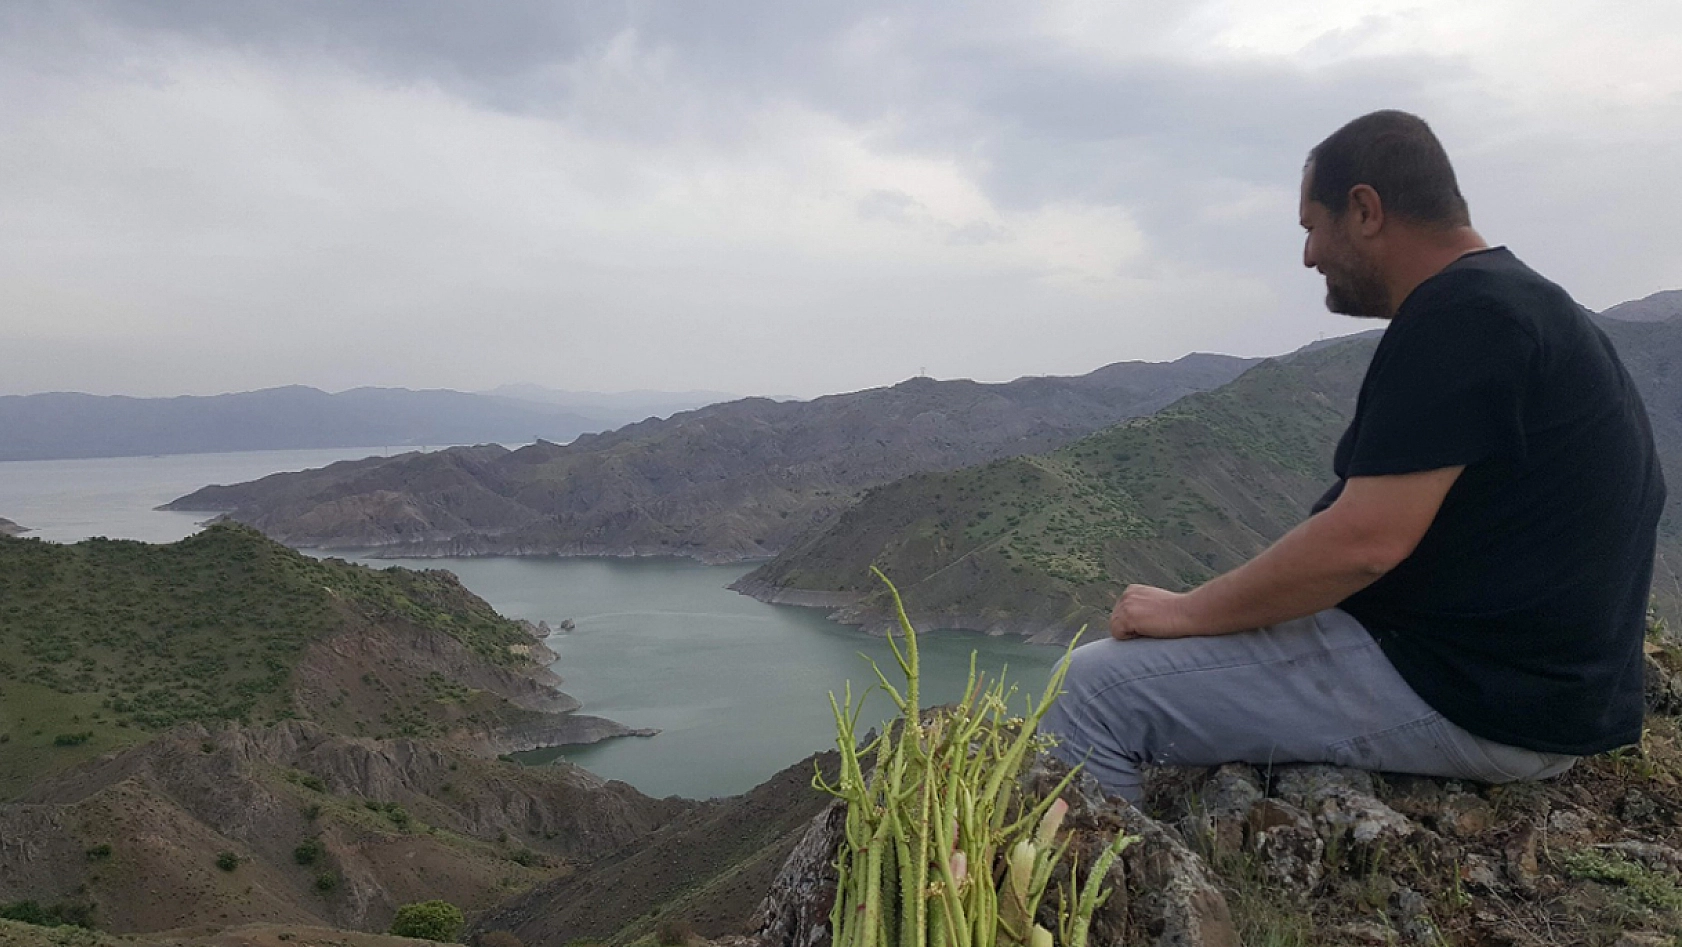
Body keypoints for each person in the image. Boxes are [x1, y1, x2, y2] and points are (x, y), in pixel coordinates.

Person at [1039, 110, 1666, 804]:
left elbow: (1364, 542)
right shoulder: (1523, 303)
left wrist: (1187, 611)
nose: (1308, 256)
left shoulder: (1464, 315)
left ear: (1365, 209)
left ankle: (1081, 909)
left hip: (1481, 695)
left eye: (1312, 226)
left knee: (1092, 690)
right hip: (1535, 687)